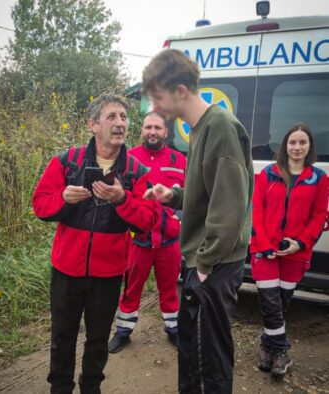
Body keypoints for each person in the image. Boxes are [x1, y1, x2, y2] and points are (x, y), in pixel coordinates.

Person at [142, 48, 254, 393]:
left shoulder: (219, 125)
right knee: (191, 349)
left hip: (213, 263)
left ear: (180, 91)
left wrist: (205, 263)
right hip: (201, 259)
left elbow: (230, 203)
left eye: (158, 98)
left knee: (210, 358)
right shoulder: (200, 127)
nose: (156, 108)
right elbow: (205, 189)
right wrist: (172, 195)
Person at [32, 93, 159, 393]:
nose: (120, 123)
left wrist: (123, 199)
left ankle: (91, 388)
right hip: (66, 269)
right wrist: (62, 198)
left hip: (108, 273)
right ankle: (59, 388)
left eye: (124, 117)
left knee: (98, 340)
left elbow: (149, 221)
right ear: (93, 124)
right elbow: (39, 204)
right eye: (112, 117)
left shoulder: (137, 173)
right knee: (62, 337)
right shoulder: (66, 162)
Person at [250, 123, 329, 378]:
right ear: (285, 146)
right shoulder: (268, 174)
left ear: (309, 147)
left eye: (302, 142)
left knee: (281, 304)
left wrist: (300, 242)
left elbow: (319, 217)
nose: (296, 147)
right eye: (292, 142)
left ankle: (267, 347)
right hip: (265, 251)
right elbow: (257, 213)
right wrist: (265, 245)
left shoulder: (319, 178)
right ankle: (282, 350)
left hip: (296, 252)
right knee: (270, 302)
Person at [108, 111, 186, 353]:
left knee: (169, 287)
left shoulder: (179, 160)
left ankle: (174, 330)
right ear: (141, 130)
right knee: (131, 288)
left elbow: (191, 193)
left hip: (169, 239)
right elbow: (119, 196)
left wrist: (181, 218)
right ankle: (123, 331)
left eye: (158, 128)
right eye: (148, 127)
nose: (152, 131)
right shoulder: (128, 159)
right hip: (138, 240)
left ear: (166, 132)